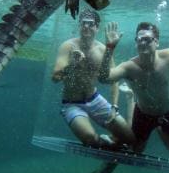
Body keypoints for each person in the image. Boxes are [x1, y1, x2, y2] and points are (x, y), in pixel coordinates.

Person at [99, 16, 169, 155]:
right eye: (139, 40)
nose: (142, 43)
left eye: (147, 39)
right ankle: (131, 99)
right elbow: (104, 79)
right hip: (144, 114)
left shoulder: (168, 56)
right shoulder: (129, 67)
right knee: (136, 151)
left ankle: (159, 127)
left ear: (156, 42)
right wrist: (109, 48)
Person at [52, 9, 135, 149]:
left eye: (90, 24)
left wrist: (114, 107)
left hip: (95, 99)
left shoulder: (103, 49)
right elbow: (55, 78)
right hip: (72, 103)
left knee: (130, 139)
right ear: (79, 25)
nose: (86, 27)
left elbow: (113, 79)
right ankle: (106, 142)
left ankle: (111, 139)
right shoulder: (68, 46)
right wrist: (72, 64)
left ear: (97, 28)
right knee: (91, 140)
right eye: (83, 23)